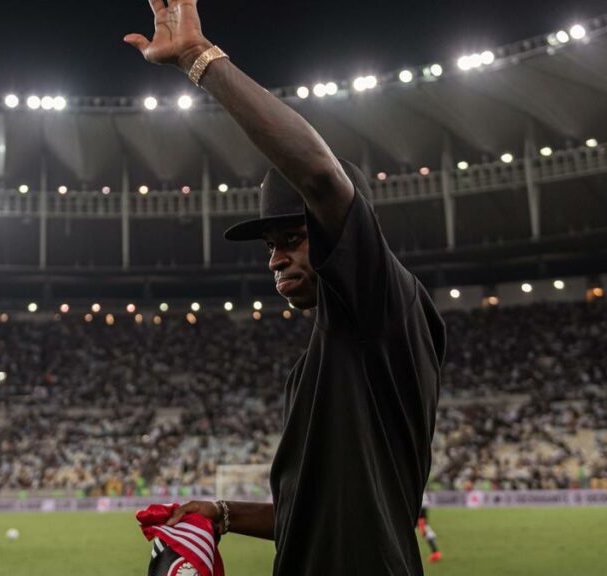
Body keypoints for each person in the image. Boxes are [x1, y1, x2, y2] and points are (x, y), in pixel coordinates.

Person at [125, 2, 446, 574]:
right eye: (269, 244)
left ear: (344, 237)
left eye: (295, 237)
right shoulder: (321, 361)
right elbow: (313, 515)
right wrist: (223, 514)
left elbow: (322, 180)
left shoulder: (382, 305)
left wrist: (201, 60)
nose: (275, 258)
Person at [418, 493, 443, 564]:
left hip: (421, 505)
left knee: (424, 527)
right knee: (424, 527)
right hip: (422, 504)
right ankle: (435, 553)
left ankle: (436, 553)